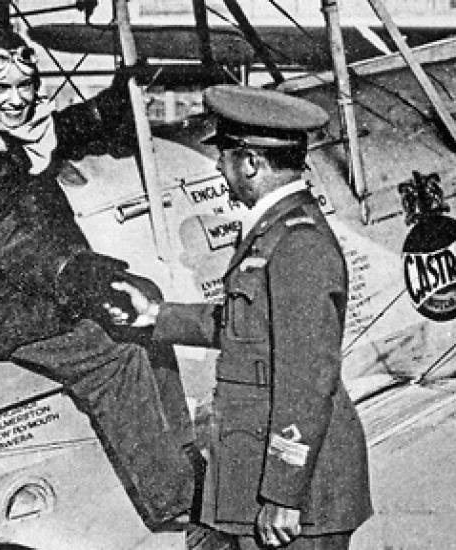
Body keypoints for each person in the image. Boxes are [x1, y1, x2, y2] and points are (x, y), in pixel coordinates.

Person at [0, 29, 198, 528]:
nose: (16, 101)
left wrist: (110, 107)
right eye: (2, 90)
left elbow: (53, 130)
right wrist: (78, 273)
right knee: (113, 357)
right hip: (2, 306)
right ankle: (176, 505)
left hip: (42, 284)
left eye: (25, 86)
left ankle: (184, 456)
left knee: (147, 312)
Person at [111, 85, 372, 549]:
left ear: (250, 163)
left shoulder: (298, 245)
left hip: (300, 496)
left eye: (225, 155)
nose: (218, 166)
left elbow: (308, 376)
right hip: (261, 476)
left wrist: (283, 494)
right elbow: (248, 326)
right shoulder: (274, 231)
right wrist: (157, 316)